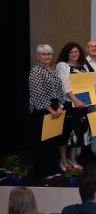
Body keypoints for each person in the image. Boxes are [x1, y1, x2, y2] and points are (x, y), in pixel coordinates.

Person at [28, 44, 63, 180]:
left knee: (53, 142)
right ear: (38, 56)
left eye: (49, 54)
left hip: (55, 109)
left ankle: (53, 169)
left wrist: (60, 106)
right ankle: (43, 172)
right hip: (41, 111)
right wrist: (51, 110)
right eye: (43, 54)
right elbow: (38, 94)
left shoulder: (53, 70)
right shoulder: (35, 71)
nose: (47, 56)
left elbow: (60, 90)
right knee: (42, 144)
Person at [55, 42, 92, 171]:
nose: (74, 54)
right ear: (67, 54)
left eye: (76, 52)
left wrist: (88, 100)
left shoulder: (83, 66)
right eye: (71, 52)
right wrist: (75, 100)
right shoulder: (62, 66)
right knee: (65, 134)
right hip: (69, 105)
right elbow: (65, 86)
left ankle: (72, 158)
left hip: (82, 105)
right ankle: (63, 160)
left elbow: (88, 84)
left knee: (77, 133)